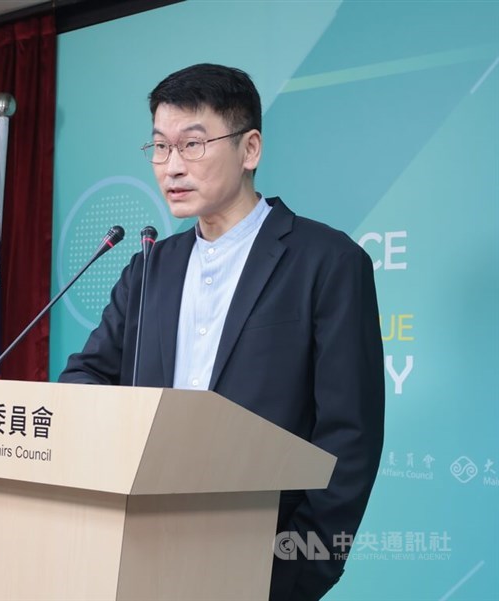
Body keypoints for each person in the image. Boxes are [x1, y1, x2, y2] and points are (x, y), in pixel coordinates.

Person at [59, 63, 384, 600]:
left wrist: (299, 574)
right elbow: (85, 377)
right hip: (138, 552)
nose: (171, 167)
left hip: (261, 563)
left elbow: (350, 437)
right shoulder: (149, 267)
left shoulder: (326, 262)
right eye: (160, 148)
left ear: (249, 149)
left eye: (193, 144)